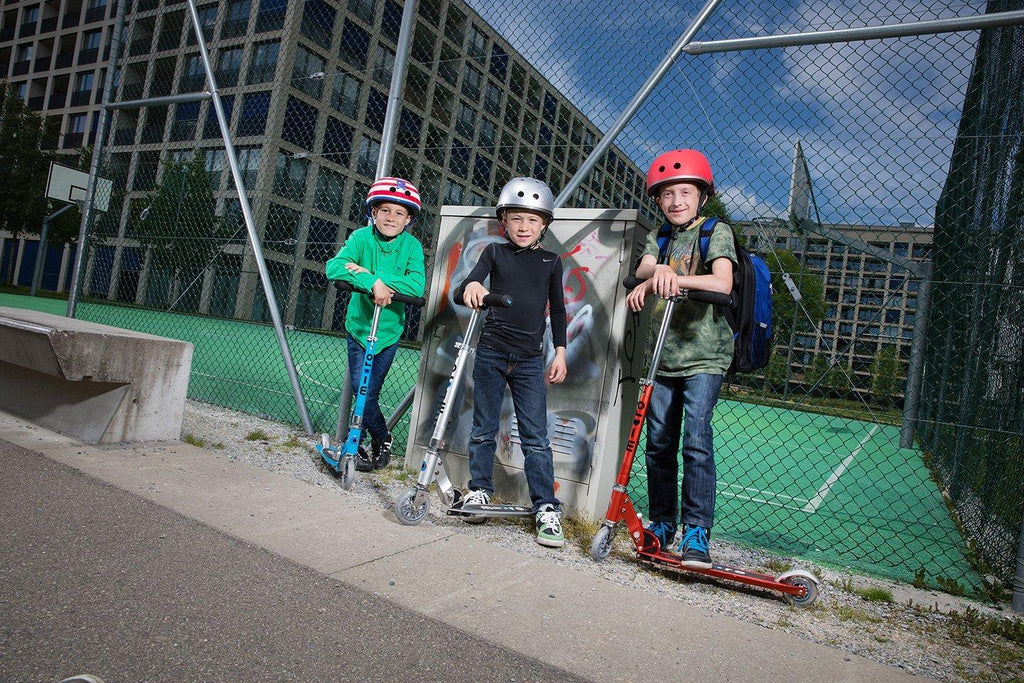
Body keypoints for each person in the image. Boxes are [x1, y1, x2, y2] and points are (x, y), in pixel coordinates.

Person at [624, 150, 737, 568]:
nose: (676, 201)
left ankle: (697, 529)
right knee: (658, 443)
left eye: (685, 192)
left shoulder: (715, 231)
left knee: (695, 441)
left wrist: (673, 276)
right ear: (658, 200)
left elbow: (722, 282)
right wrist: (657, 273)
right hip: (663, 354)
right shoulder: (660, 236)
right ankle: (663, 521)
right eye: (668, 194)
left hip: (704, 354)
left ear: (702, 196)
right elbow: (644, 269)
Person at [452, 177, 568, 548]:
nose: (523, 226)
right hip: (491, 352)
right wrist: (471, 286)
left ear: (544, 224)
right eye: (516, 218)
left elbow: (558, 310)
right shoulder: (494, 253)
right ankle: (479, 491)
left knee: (535, 437)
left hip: (531, 360)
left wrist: (560, 352)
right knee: (483, 427)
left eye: (532, 220)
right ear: (504, 220)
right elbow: (465, 289)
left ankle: (546, 507)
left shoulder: (551, 262)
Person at [326, 177, 426, 471]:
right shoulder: (360, 238)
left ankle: (376, 438)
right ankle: (375, 437)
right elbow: (334, 267)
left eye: (399, 213)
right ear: (373, 212)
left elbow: (416, 285)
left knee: (370, 392)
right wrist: (372, 283)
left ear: (408, 219)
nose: (391, 218)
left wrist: (373, 277)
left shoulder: (412, 246)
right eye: (385, 210)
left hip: (388, 332)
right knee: (361, 387)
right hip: (360, 328)